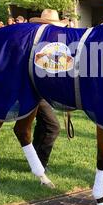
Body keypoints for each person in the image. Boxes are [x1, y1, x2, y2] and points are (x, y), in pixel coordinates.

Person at [29, 9, 69, 169]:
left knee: (42, 124)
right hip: (35, 90)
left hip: (41, 90)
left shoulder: (51, 43)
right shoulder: (40, 44)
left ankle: (35, 159)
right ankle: (40, 163)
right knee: (53, 127)